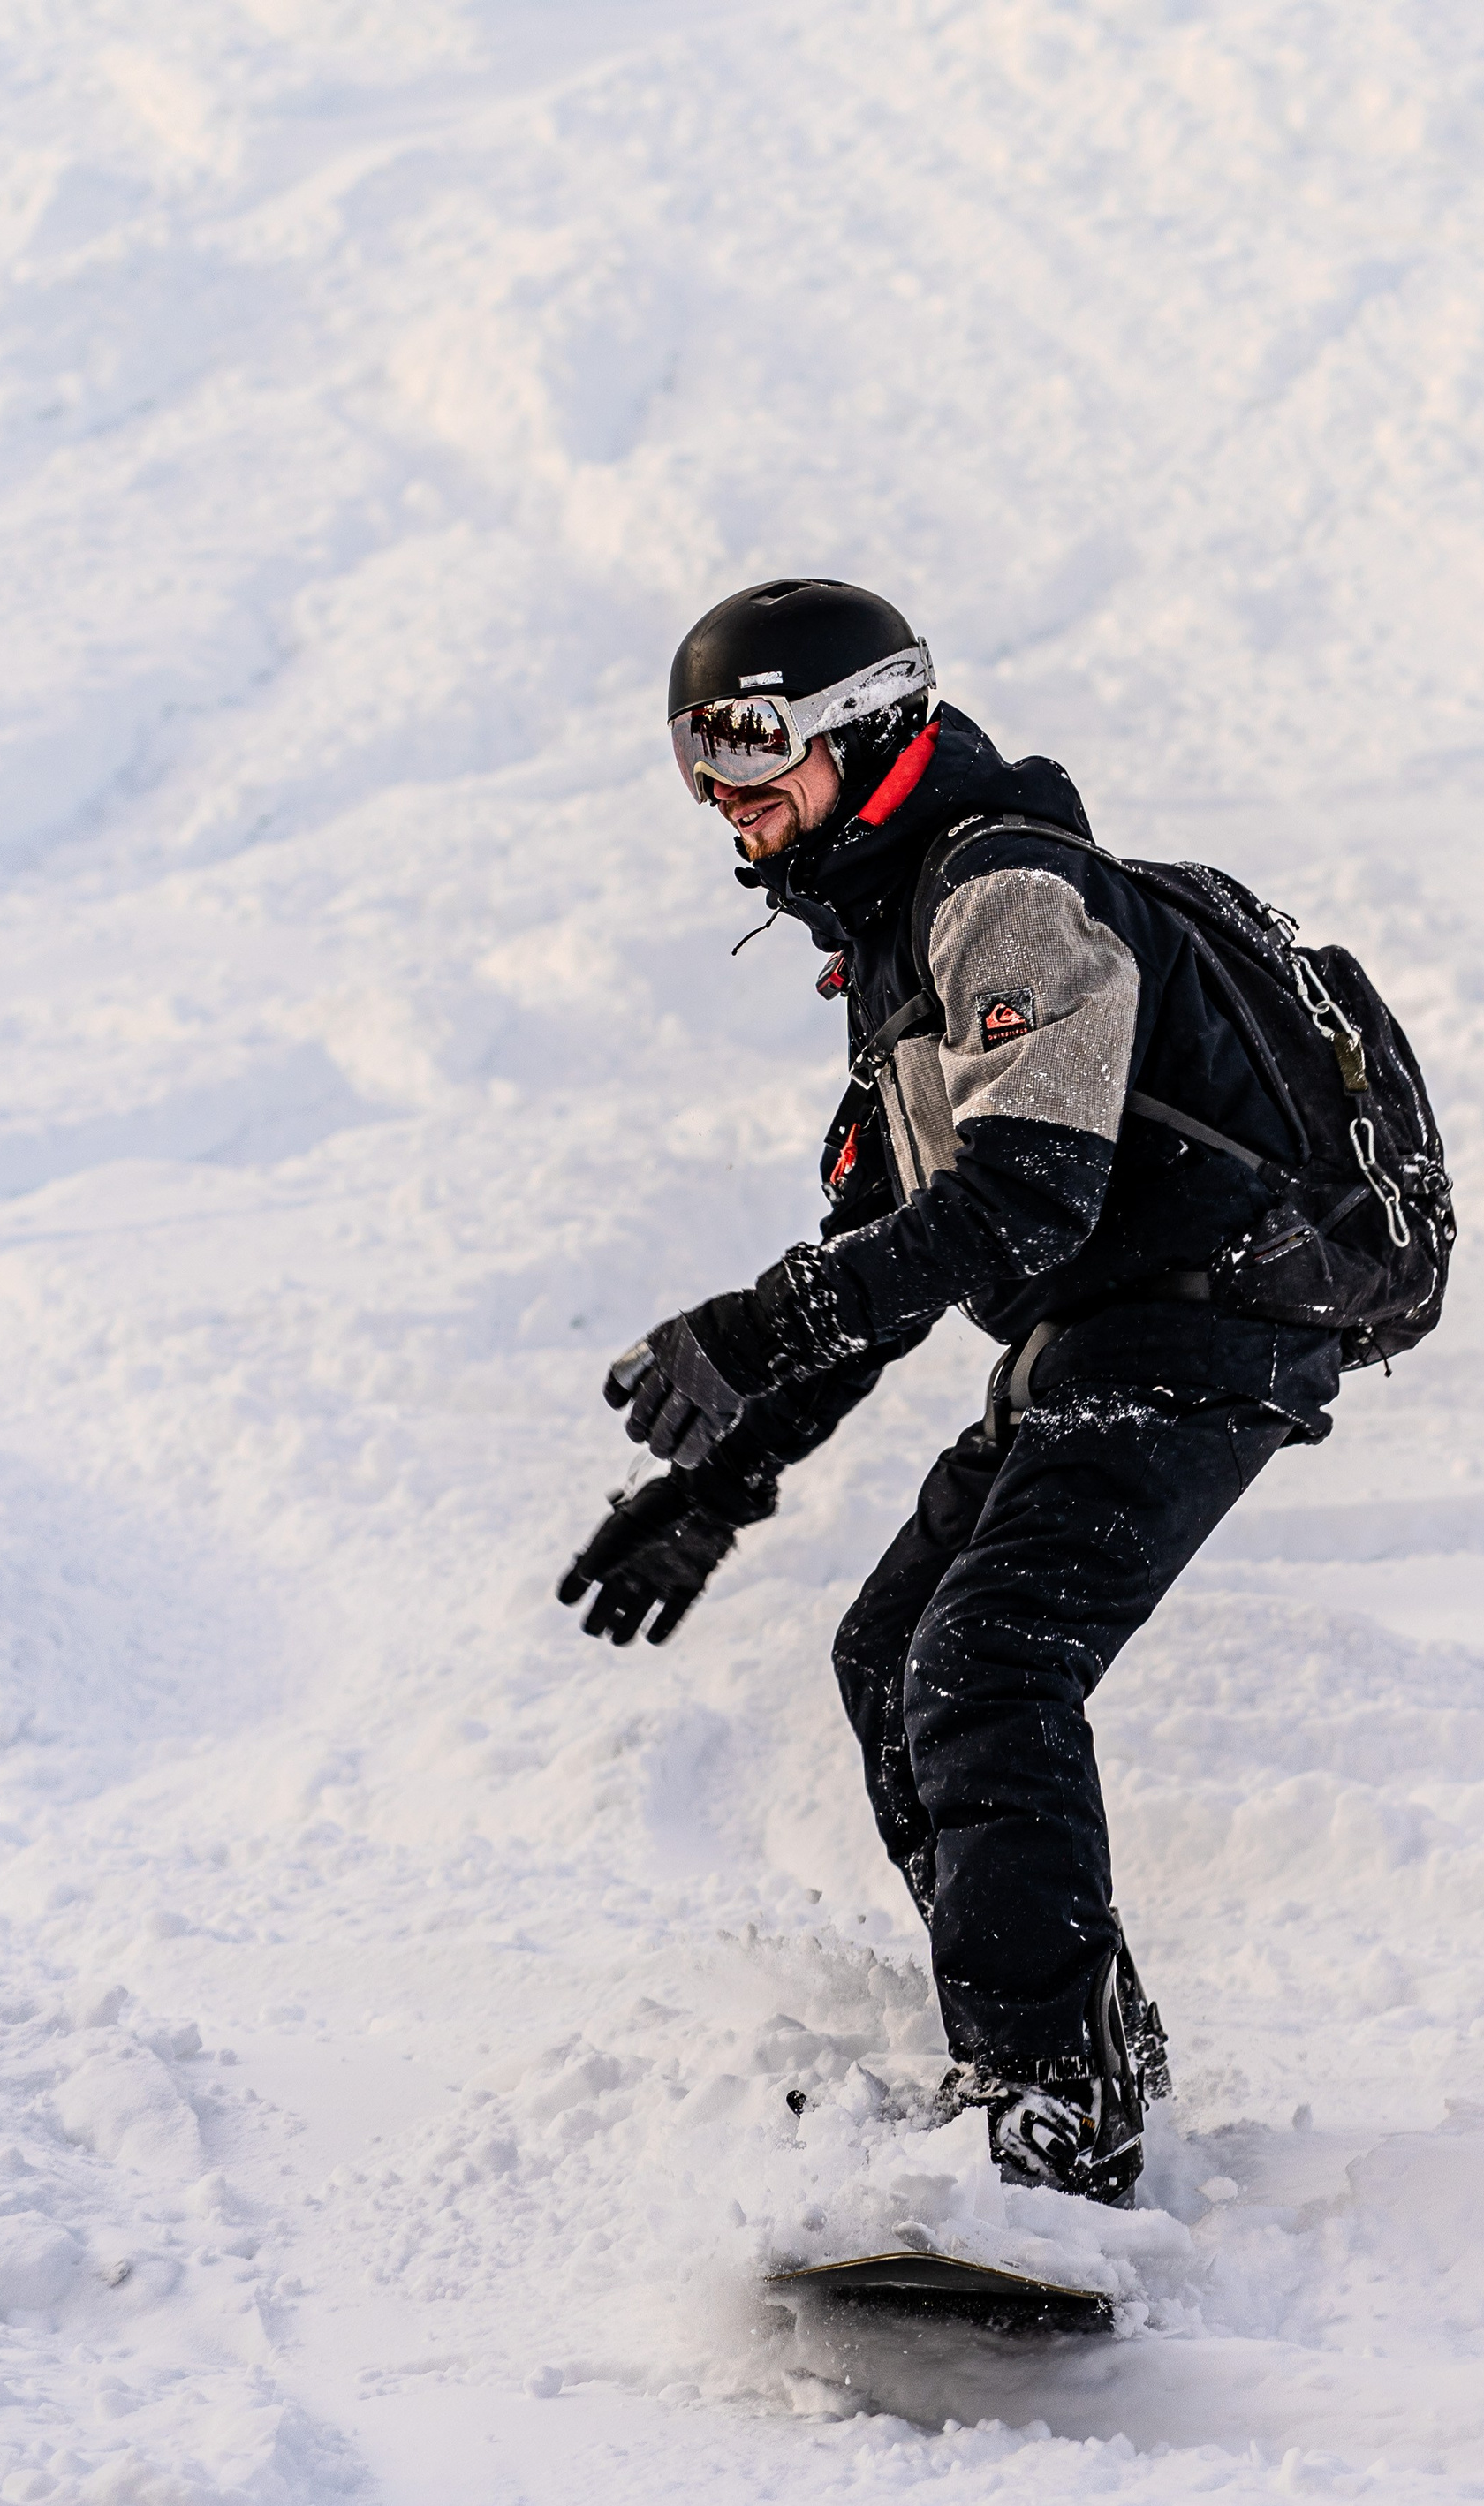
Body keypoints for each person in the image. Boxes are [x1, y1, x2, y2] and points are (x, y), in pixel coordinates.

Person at [558, 579, 1343, 2206]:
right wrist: (716, 1487)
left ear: (864, 723)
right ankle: (1068, 2057)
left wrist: (755, 1323)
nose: (726, 791)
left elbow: (1026, 1199)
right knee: (889, 1657)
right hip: (1101, 1338)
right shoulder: (900, 941)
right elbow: (887, 1259)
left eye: (753, 739)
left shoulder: (1004, 889)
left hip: (1199, 1324)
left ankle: (1056, 2120)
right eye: (695, 759)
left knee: (986, 1664)